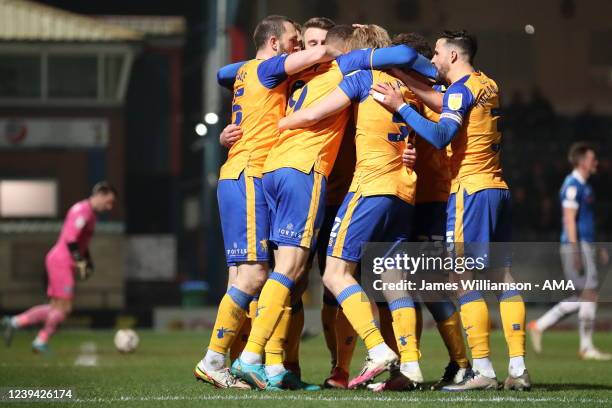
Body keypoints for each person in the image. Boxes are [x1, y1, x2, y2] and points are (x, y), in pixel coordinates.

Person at [230, 24, 422, 391]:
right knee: (304, 275)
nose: (316, 51)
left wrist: (273, 125)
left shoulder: (343, 76)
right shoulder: (311, 79)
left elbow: (303, 113)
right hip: (327, 180)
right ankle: (270, 361)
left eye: (322, 45)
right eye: (307, 44)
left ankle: (265, 359)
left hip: (326, 180)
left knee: (314, 276)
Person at [371, 29, 530, 391]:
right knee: (504, 279)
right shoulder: (487, 83)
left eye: (438, 54)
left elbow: (442, 134)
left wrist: (401, 107)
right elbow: (446, 102)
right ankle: (518, 369)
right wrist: (403, 77)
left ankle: (483, 371)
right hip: (497, 189)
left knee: (462, 281)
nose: (434, 61)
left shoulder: (459, 90)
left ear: (453, 56)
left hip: (469, 191)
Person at [193, 14, 343, 390]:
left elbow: (225, 73)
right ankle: (217, 359)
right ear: (275, 44)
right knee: (256, 274)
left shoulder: (252, 71)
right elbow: (309, 57)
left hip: (251, 175)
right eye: (294, 39)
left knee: (249, 277)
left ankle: (245, 362)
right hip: (248, 174)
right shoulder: (270, 66)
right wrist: (354, 47)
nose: (297, 46)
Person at [2, 182, 117, 353]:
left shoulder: (91, 216)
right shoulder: (81, 211)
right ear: (100, 194)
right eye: (108, 201)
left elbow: (81, 243)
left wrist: (88, 261)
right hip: (62, 261)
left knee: (56, 307)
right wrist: (79, 260)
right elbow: (71, 239)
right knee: (64, 308)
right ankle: (37, 339)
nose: (109, 207)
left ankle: (15, 323)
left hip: (64, 262)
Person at [528, 143, 610, 361]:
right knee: (589, 294)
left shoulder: (585, 186)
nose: (596, 163)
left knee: (584, 296)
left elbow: (586, 221)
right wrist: (575, 251)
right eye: (593, 159)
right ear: (582, 161)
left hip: (585, 245)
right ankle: (585, 347)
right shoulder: (573, 185)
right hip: (576, 246)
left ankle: (539, 325)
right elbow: (568, 219)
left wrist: (597, 247)